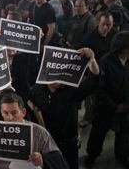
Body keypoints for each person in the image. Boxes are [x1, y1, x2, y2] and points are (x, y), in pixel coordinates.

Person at [30, 48, 100, 169]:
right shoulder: (38, 89)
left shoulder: (72, 90)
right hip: (47, 143)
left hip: (68, 143)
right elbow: (31, 104)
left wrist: (92, 60)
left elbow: (94, 80)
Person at [0, 91, 68, 169]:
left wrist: (43, 160)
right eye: (6, 113)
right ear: (1, 113)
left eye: (14, 112)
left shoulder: (39, 132)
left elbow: (58, 160)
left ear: (24, 112)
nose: (10, 117)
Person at [85, 31, 129, 168]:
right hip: (105, 107)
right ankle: (92, 155)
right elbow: (98, 89)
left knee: (123, 135)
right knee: (98, 133)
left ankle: (121, 155)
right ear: (122, 47)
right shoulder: (106, 61)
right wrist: (114, 106)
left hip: (125, 107)